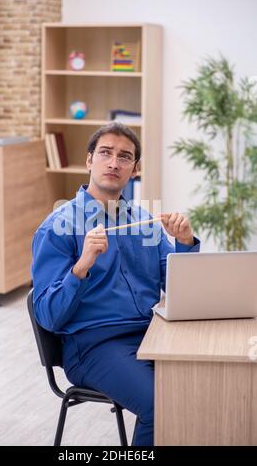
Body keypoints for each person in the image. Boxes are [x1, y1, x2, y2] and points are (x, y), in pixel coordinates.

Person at [31, 123, 200, 446]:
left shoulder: (144, 222)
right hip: (93, 347)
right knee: (161, 407)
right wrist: (81, 267)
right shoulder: (57, 228)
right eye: (105, 153)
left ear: (134, 170)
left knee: (207, 387)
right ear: (89, 161)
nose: (114, 163)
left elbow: (181, 291)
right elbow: (48, 317)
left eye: (125, 157)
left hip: (150, 338)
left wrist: (185, 242)